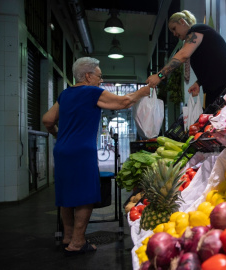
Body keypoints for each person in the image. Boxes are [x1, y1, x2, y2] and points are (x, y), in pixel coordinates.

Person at [42, 57, 151, 256]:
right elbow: (124, 102)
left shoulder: (65, 94)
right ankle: (77, 242)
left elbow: (47, 120)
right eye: (99, 76)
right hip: (81, 151)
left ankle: (68, 236)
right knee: (85, 196)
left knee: (66, 195)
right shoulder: (91, 92)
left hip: (62, 150)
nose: (101, 80)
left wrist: (59, 136)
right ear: (88, 76)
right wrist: (143, 91)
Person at [146, 10, 226, 108]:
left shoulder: (197, 29)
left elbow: (183, 55)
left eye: (174, 29)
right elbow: (211, 64)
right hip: (218, 88)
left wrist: (159, 76)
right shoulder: (195, 38)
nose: (174, 34)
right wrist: (199, 82)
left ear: (182, 22)